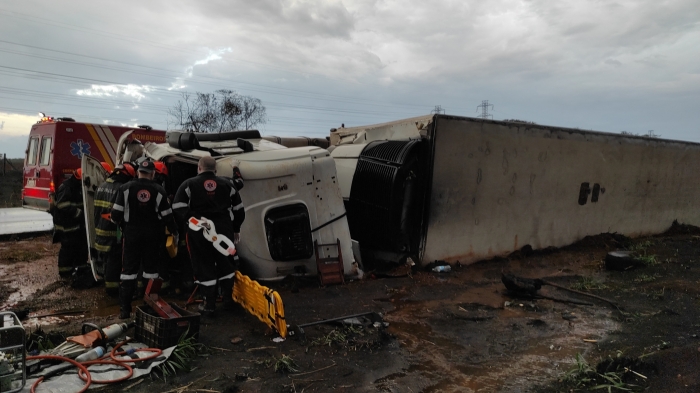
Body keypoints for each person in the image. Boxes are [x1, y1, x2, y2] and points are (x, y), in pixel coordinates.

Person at [173, 156, 245, 316]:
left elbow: (178, 208)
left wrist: (194, 221)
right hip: (223, 229)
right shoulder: (227, 183)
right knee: (226, 263)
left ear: (199, 168)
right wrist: (236, 228)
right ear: (216, 170)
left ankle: (209, 305)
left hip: (199, 231)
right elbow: (239, 209)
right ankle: (228, 301)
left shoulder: (188, 184)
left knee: (203, 264)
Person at [111, 160, 179, 319]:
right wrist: (175, 233)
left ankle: (125, 311)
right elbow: (168, 216)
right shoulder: (159, 190)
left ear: (138, 172)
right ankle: (149, 308)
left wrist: (123, 225)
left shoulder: (125, 188)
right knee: (151, 271)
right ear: (153, 173)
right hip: (153, 236)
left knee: (128, 272)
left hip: (131, 235)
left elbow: (115, 216)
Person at [93, 162, 135, 297]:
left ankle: (108, 283)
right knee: (114, 262)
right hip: (114, 232)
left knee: (106, 259)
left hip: (100, 230)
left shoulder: (102, 186)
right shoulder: (121, 189)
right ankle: (112, 290)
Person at [52, 168, 89, 279]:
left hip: (76, 225)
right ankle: (65, 273)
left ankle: (81, 269)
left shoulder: (78, 187)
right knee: (68, 249)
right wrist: (78, 213)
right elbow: (62, 205)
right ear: (78, 179)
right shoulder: (66, 187)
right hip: (66, 226)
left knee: (81, 247)